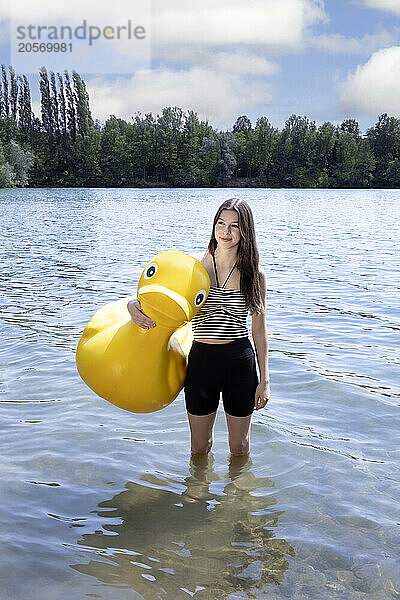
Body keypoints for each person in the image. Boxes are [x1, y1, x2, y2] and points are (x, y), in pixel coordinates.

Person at [127, 198, 270, 458]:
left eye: (234, 226)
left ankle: (235, 498)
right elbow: (158, 297)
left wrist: (265, 378)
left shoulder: (254, 274)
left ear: (245, 231)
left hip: (240, 362)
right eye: (221, 223)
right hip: (202, 360)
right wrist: (131, 305)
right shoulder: (194, 266)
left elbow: (259, 330)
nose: (225, 232)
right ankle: (197, 494)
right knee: (199, 447)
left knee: (240, 447)